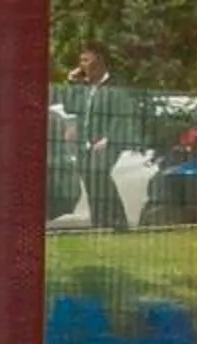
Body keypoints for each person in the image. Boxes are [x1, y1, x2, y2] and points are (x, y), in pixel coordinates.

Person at [65, 44, 130, 231]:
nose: (82, 64)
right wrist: (72, 83)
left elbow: (122, 114)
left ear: (99, 61)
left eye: (86, 60)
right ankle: (100, 222)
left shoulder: (114, 85)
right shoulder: (85, 87)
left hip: (106, 142)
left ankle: (117, 221)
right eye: (81, 60)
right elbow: (70, 107)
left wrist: (109, 138)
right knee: (90, 179)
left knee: (98, 174)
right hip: (85, 143)